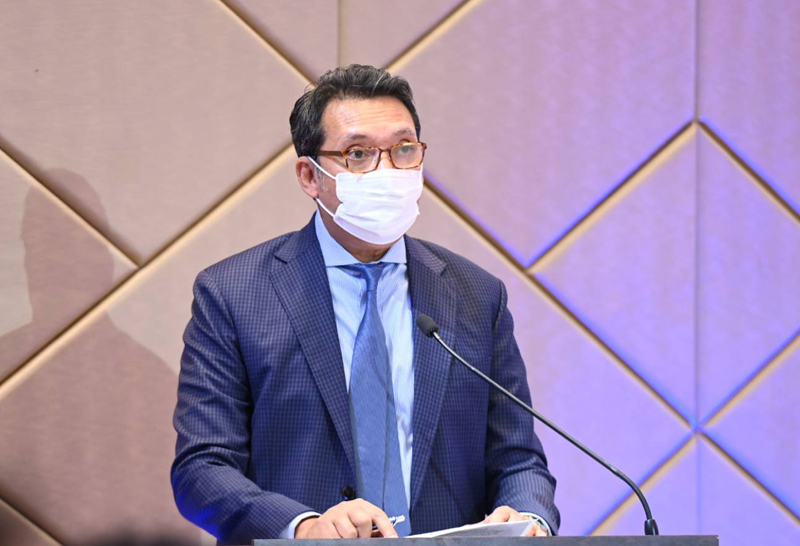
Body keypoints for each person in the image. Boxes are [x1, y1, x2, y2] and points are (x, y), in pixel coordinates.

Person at [171, 64, 559, 544]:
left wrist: (530, 516)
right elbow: (202, 469)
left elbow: (519, 459)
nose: (387, 172)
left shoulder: (477, 294)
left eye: (403, 149)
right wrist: (303, 527)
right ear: (310, 176)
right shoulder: (233, 293)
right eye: (358, 154)